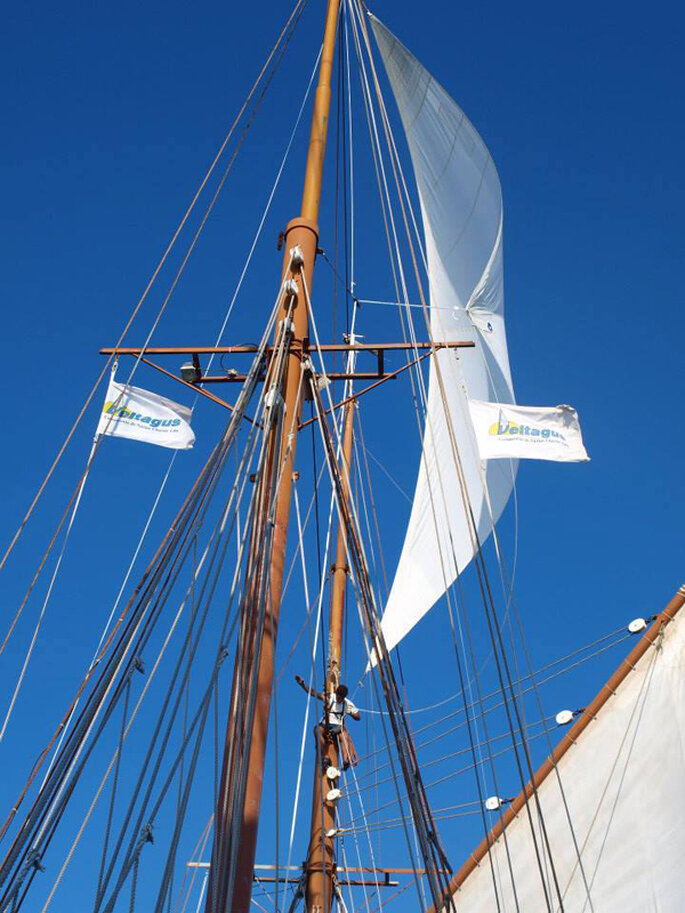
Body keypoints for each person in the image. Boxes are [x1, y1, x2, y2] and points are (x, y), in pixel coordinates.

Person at [295, 675, 360, 769]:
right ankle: (326, 756)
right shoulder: (330, 697)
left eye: (341, 697)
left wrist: (351, 713)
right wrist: (302, 684)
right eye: (338, 696)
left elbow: (358, 716)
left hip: (338, 726)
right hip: (326, 724)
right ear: (336, 693)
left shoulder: (347, 704)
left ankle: (345, 760)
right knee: (317, 731)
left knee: (344, 736)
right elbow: (313, 693)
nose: (339, 698)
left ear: (344, 697)